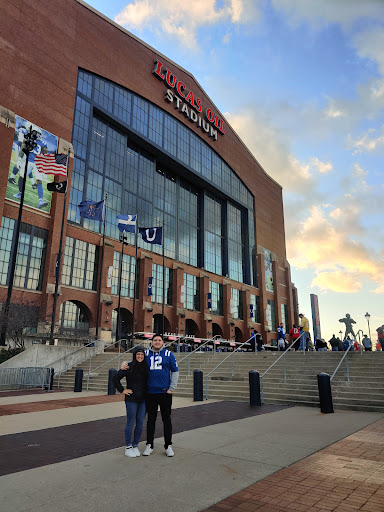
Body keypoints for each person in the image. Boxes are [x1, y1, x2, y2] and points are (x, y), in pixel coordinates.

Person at [121, 333, 179, 457]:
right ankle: (149, 445)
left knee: (166, 419)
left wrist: (171, 388)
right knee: (150, 420)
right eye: (155, 340)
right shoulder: (146, 354)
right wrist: (124, 363)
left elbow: (175, 371)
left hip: (164, 392)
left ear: (163, 342)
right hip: (150, 393)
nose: (157, 342)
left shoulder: (169, 354)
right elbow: (136, 359)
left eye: (159, 340)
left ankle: (168, 445)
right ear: (151, 342)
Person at [112, 346, 149, 458]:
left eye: (142, 354)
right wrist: (122, 390)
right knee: (130, 422)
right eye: (138, 354)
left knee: (140, 423)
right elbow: (115, 378)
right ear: (134, 355)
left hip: (143, 399)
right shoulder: (129, 366)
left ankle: (135, 445)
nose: (140, 356)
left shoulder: (146, 367)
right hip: (131, 399)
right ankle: (128, 446)